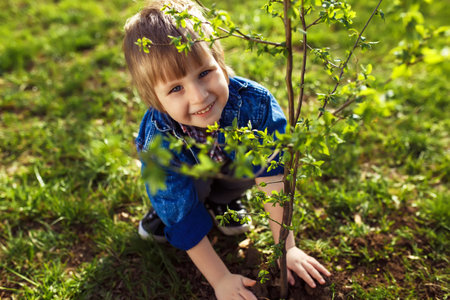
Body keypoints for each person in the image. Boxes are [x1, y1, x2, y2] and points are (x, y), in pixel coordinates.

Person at [123, 0, 331, 298]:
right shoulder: (159, 141)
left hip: (228, 167)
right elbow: (176, 202)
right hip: (184, 181)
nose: (199, 96)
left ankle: (224, 200)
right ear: (155, 100)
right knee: (178, 204)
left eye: (204, 73)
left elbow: (272, 176)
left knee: (256, 162)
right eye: (176, 88)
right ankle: (163, 214)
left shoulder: (254, 106)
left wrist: (288, 248)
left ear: (220, 63)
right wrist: (220, 279)